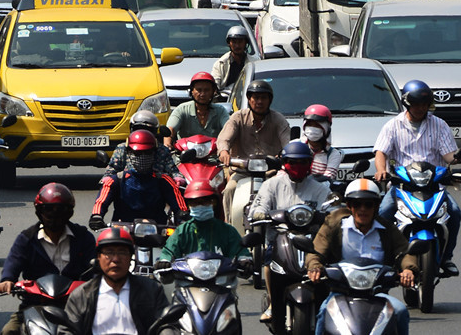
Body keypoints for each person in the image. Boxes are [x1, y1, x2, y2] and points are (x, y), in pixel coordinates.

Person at [305, 179, 417, 335]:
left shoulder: (387, 229)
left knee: (400, 311)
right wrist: (315, 267)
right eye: (357, 204)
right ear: (349, 206)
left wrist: (408, 270)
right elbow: (316, 251)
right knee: (324, 311)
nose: (362, 209)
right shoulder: (334, 225)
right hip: (341, 292)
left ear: (376, 206)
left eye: (368, 204)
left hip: (377, 294)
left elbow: (404, 252)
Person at [374, 79, 460, 276]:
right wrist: (381, 170)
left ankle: (446, 257)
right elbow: (381, 153)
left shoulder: (439, 124)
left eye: (424, 104)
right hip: (403, 186)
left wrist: (456, 158)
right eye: (416, 104)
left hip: (434, 186)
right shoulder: (393, 125)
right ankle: (381, 257)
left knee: (455, 213)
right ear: (407, 104)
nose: (421, 108)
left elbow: (448, 156)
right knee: (383, 212)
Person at [250, 141, 332, 332]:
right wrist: (263, 214)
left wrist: (329, 215)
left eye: (303, 162)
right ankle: (273, 300)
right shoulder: (272, 185)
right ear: (284, 163)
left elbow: (332, 209)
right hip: (281, 239)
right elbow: (257, 208)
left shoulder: (320, 188)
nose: (297, 167)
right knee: (270, 265)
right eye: (292, 162)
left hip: (313, 241)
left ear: (310, 164)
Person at [0, 183, 96, 335]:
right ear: (39, 212)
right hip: (34, 306)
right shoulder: (27, 239)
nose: (54, 215)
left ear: (69, 212)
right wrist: (7, 280)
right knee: (8, 331)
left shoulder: (84, 238)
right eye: (48, 210)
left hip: (78, 306)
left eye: (60, 210)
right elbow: (13, 262)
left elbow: (96, 268)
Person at [58, 226, 169, 335]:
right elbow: (68, 329)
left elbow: (166, 324)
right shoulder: (82, 294)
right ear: (98, 258)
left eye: (122, 252)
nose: (115, 259)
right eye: (109, 252)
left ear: (131, 258)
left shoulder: (152, 290)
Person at [217, 79, 290, 221]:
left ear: (270, 100)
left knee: (283, 190)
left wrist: (283, 156)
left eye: (263, 98)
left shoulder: (278, 119)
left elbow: (287, 145)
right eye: (256, 98)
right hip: (242, 171)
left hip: (271, 173)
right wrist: (224, 152)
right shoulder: (238, 117)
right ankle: (230, 226)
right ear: (249, 100)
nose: (259, 102)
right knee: (229, 190)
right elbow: (224, 139)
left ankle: (281, 224)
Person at [90, 130, 187, 230]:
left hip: (158, 231)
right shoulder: (117, 180)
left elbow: (178, 204)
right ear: (129, 153)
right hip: (123, 231)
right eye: (137, 153)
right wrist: (97, 216)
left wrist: (182, 214)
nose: (142, 157)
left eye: (147, 153)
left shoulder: (163, 180)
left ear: (154, 153)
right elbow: (102, 201)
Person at [157, 181, 251, 266]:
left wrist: (245, 261)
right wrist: (164, 261)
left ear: (214, 203)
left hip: (221, 280)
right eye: (195, 203)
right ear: (189, 205)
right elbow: (168, 252)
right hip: (188, 280)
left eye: (205, 202)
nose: (200, 206)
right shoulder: (182, 231)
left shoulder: (227, 230)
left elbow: (241, 251)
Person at [105, 110, 183, 184]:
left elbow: (173, 171)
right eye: (138, 129)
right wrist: (108, 179)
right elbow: (112, 170)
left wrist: (178, 179)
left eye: (148, 130)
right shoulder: (123, 148)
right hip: (127, 191)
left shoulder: (161, 150)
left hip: (155, 191)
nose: (143, 134)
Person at [165, 72, 230, 146]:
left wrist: (225, 149)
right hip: (185, 156)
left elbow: (229, 130)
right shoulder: (182, 109)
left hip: (214, 156)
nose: (202, 94)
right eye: (199, 90)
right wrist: (167, 146)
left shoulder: (220, 111)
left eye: (207, 90)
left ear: (213, 92)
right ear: (192, 91)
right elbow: (170, 130)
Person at [211, 25, 258, 92]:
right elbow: (215, 84)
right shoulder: (220, 64)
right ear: (229, 43)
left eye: (240, 42)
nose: (237, 45)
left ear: (246, 43)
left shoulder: (255, 63)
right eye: (234, 42)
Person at [302, 104, 343, 180]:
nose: (312, 129)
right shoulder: (295, 146)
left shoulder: (333, 154)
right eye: (310, 124)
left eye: (317, 125)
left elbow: (327, 179)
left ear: (327, 128)